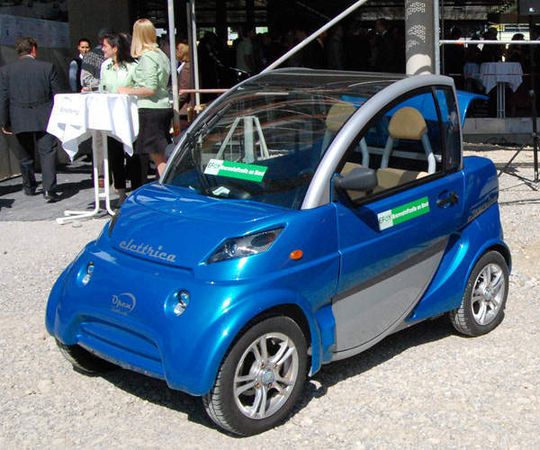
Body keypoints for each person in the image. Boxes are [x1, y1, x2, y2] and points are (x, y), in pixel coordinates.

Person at [0, 37, 62, 202]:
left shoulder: (6, 71)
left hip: (19, 117)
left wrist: (4, 121)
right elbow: (57, 94)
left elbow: (3, 98)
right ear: (33, 49)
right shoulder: (47, 67)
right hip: (45, 116)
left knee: (25, 154)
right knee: (47, 153)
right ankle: (49, 189)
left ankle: (29, 186)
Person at [118, 18, 172, 188]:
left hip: (151, 108)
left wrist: (127, 90)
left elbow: (150, 88)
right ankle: (165, 185)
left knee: (158, 156)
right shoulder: (160, 54)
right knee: (160, 154)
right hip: (161, 106)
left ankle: (167, 188)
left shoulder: (148, 57)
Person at [99, 32, 137, 203]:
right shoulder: (105, 66)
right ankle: (121, 193)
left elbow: (138, 88)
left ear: (115, 48)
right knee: (115, 155)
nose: (102, 49)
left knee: (133, 155)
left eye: (105, 46)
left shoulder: (133, 66)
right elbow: (103, 88)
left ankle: (136, 191)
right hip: (111, 117)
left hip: (129, 116)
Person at [176, 39, 194, 131]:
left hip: (184, 110)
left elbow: (184, 93)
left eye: (177, 49)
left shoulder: (187, 68)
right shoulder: (188, 65)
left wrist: (175, 106)